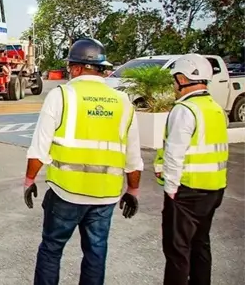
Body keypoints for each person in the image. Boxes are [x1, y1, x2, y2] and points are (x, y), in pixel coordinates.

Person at [23, 38, 143, 285]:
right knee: (96, 253)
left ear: (76, 68)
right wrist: (132, 189)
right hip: (105, 196)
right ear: (101, 68)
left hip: (66, 192)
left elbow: (39, 149)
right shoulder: (123, 101)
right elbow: (133, 157)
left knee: (51, 249)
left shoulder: (62, 96)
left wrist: (29, 180)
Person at [154, 53, 228, 285]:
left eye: (175, 78)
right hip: (214, 189)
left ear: (183, 78)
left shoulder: (185, 110)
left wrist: (171, 189)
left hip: (187, 191)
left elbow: (175, 153)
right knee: (200, 245)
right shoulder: (215, 109)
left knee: (177, 251)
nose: (174, 84)